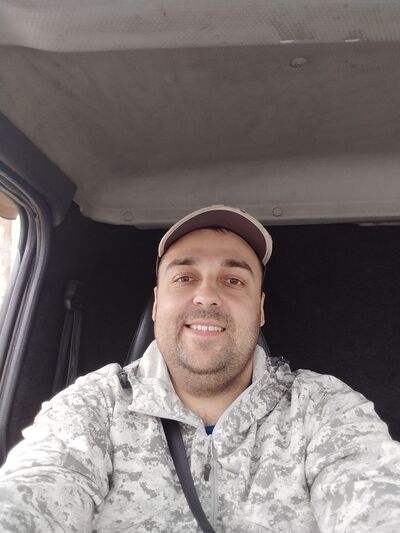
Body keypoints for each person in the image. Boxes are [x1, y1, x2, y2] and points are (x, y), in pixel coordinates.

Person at [0, 205, 399, 532]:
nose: (207, 295)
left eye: (233, 280)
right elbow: (33, 493)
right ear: (157, 303)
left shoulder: (323, 408)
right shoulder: (93, 407)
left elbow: (376, 495)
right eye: (185, 277)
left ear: (260, 309)